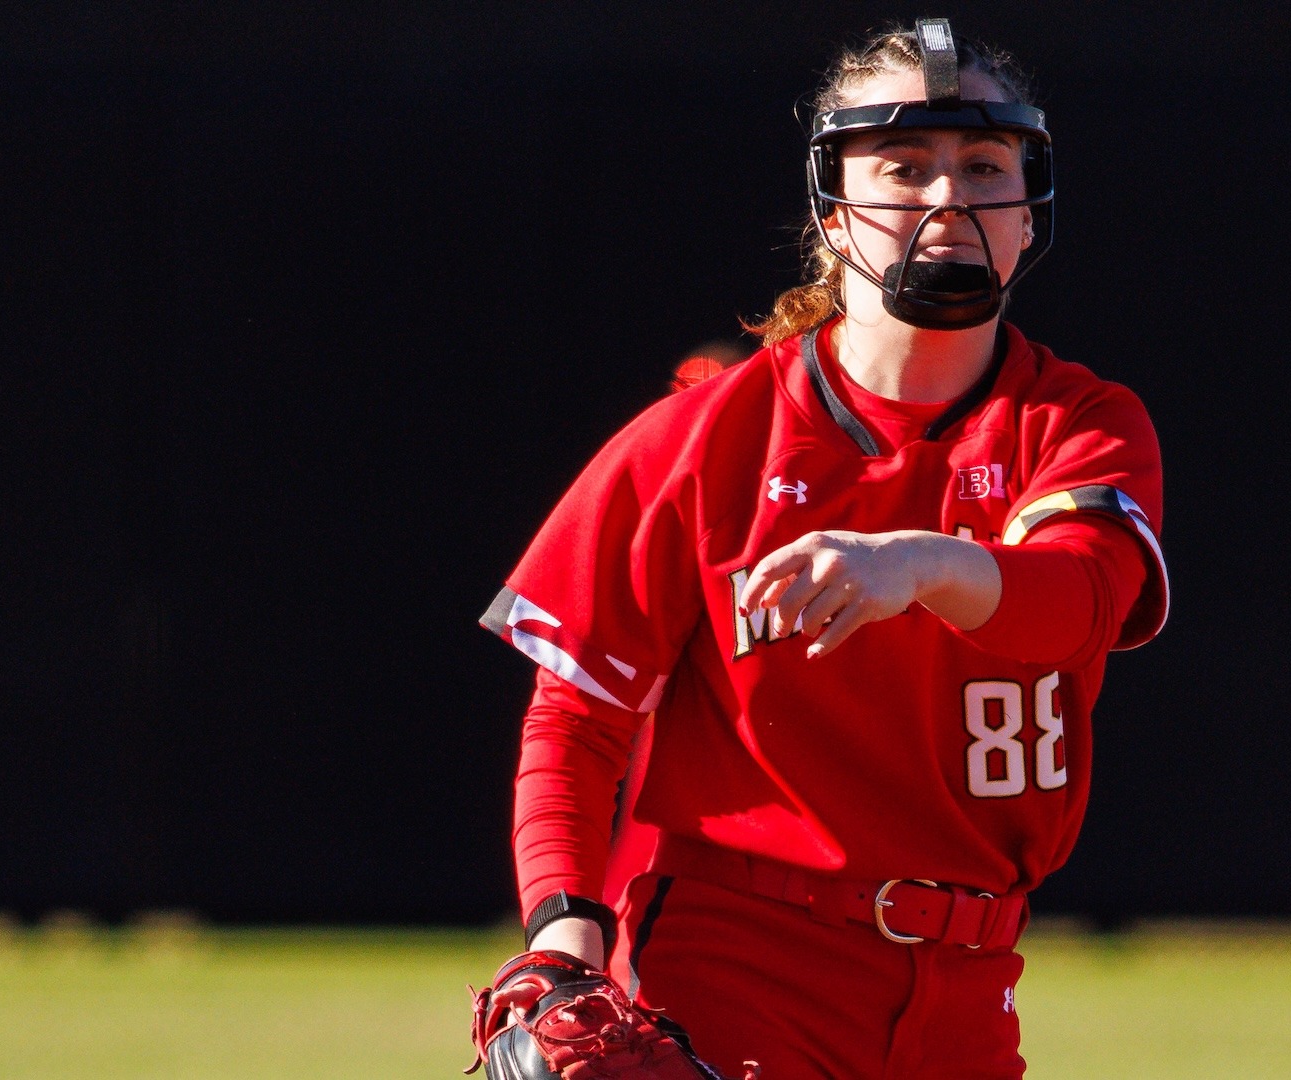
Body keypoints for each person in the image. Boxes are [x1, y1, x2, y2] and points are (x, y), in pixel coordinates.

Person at [479, 19, 1168, 1079]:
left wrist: (919, 564)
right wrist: (564, 937)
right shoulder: (705, 441)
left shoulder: (1075, 422)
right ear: (833, 210)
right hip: (740, 962)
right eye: (904, 166)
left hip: (970, 981)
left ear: (1029, 214)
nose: (948, 198)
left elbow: (1084, 600)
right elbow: (576, 718)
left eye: (984, 167)